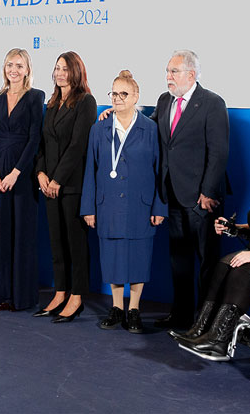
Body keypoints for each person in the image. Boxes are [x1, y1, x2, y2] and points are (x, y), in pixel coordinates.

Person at [174, 132, 250, 356]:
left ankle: (219, 341)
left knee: (242, 272)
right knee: (223, 264)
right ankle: (200, 330)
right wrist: (233, 228)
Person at [80, 70, 167, 333]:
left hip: (141, 206)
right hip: (108, 206)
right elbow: (89, 171)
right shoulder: (99, 129)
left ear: (136, 97)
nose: (117, 98)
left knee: (139, 258)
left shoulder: (151, 129)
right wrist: (88, 208)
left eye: (123, 94)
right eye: (114, 93)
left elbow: (160, 170)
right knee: (113, 257)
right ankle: (117, 307)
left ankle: (134, 310)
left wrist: (159, 206)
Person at [152, 50, 229, 330]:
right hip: (172, 193)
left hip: (201, 198)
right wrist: (120, 114)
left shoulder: (211, 103)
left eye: (174, 72)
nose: (168, 77)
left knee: (207, 262)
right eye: (167, 72)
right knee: (179, 261)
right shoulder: (164, 100)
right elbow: (149, 129)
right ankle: (181, 315)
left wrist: (208, 192)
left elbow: (219, 152)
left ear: (191, 75)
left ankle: (207, 321)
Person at [34, 51, 96, 322]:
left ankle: (77, 297)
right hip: (48, 185)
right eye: (57, 68)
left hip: (71, 185)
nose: (59, 73)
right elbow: (44, 143)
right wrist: (41, 175)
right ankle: (59, 292)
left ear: (76, 72)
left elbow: (78, 145)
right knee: (56, 244)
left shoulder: (86, 101)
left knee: (75, 244)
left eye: (65, 69)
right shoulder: (53, 102)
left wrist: (57, 179)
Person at [0, 49, 45, 311]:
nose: (14, 70)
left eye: (19, 65)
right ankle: (3, 293)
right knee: (2, 234)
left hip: (22, 172)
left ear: (27, 69)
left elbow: (34, 139)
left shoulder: (35, 96)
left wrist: (16, 173)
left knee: (22, 236)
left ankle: (22, 297)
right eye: (10, 64)